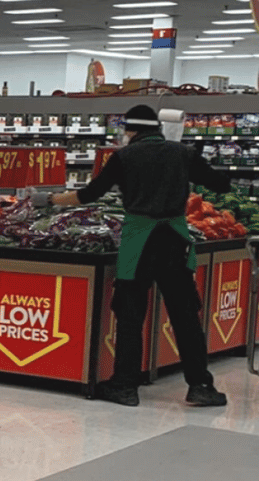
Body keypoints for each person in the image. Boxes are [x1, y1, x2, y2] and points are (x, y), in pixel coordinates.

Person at [49, 104, 228, 408]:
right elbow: (220, 184)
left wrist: (52, 199)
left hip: (138, 242)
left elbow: (90, 194)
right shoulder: (182, 153)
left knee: (130, 317)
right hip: (174, 240)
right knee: (185, 316)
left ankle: (125, 386)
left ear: (131, 131)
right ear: (157, 129)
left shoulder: (124, 157)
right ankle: (200, 386)